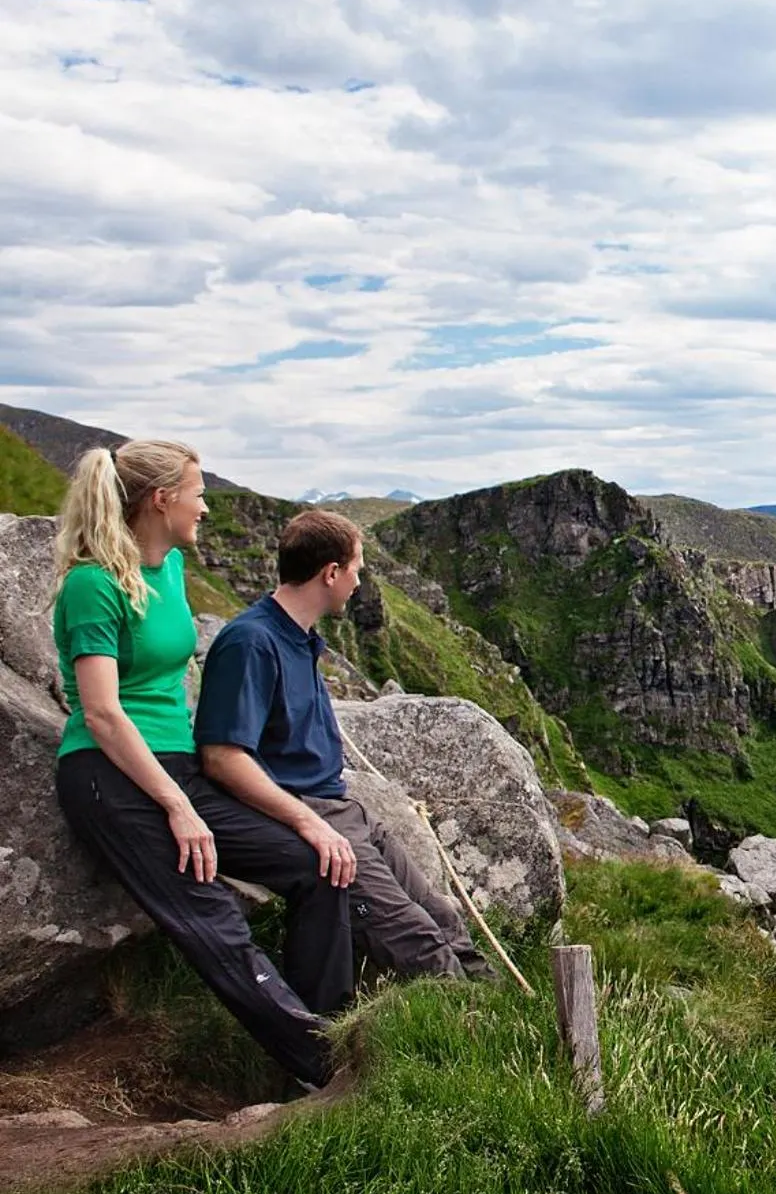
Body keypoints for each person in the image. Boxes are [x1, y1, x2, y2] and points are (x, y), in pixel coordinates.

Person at [50, 441, 352, 1088]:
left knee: (317, 866)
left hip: (178, 766)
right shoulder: (91, 583)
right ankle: (323, 1072)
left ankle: (334, 1032)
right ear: (162, 500)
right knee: (214, 920)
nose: (205, 508)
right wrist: (177, 805)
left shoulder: (171, 567)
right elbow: (103, 714)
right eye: (197, 493)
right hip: (112, 777)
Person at [196, 509, 493, 983]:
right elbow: (222, 757)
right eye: (356, 568)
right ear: (330, 573)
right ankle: (467, 1036)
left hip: (341, 809)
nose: (359, 581)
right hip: (305, 811)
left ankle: (511, 1016)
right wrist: (310, 824)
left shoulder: (299, 637)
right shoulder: (251, 642)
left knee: (443, 917)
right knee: (418, 941)